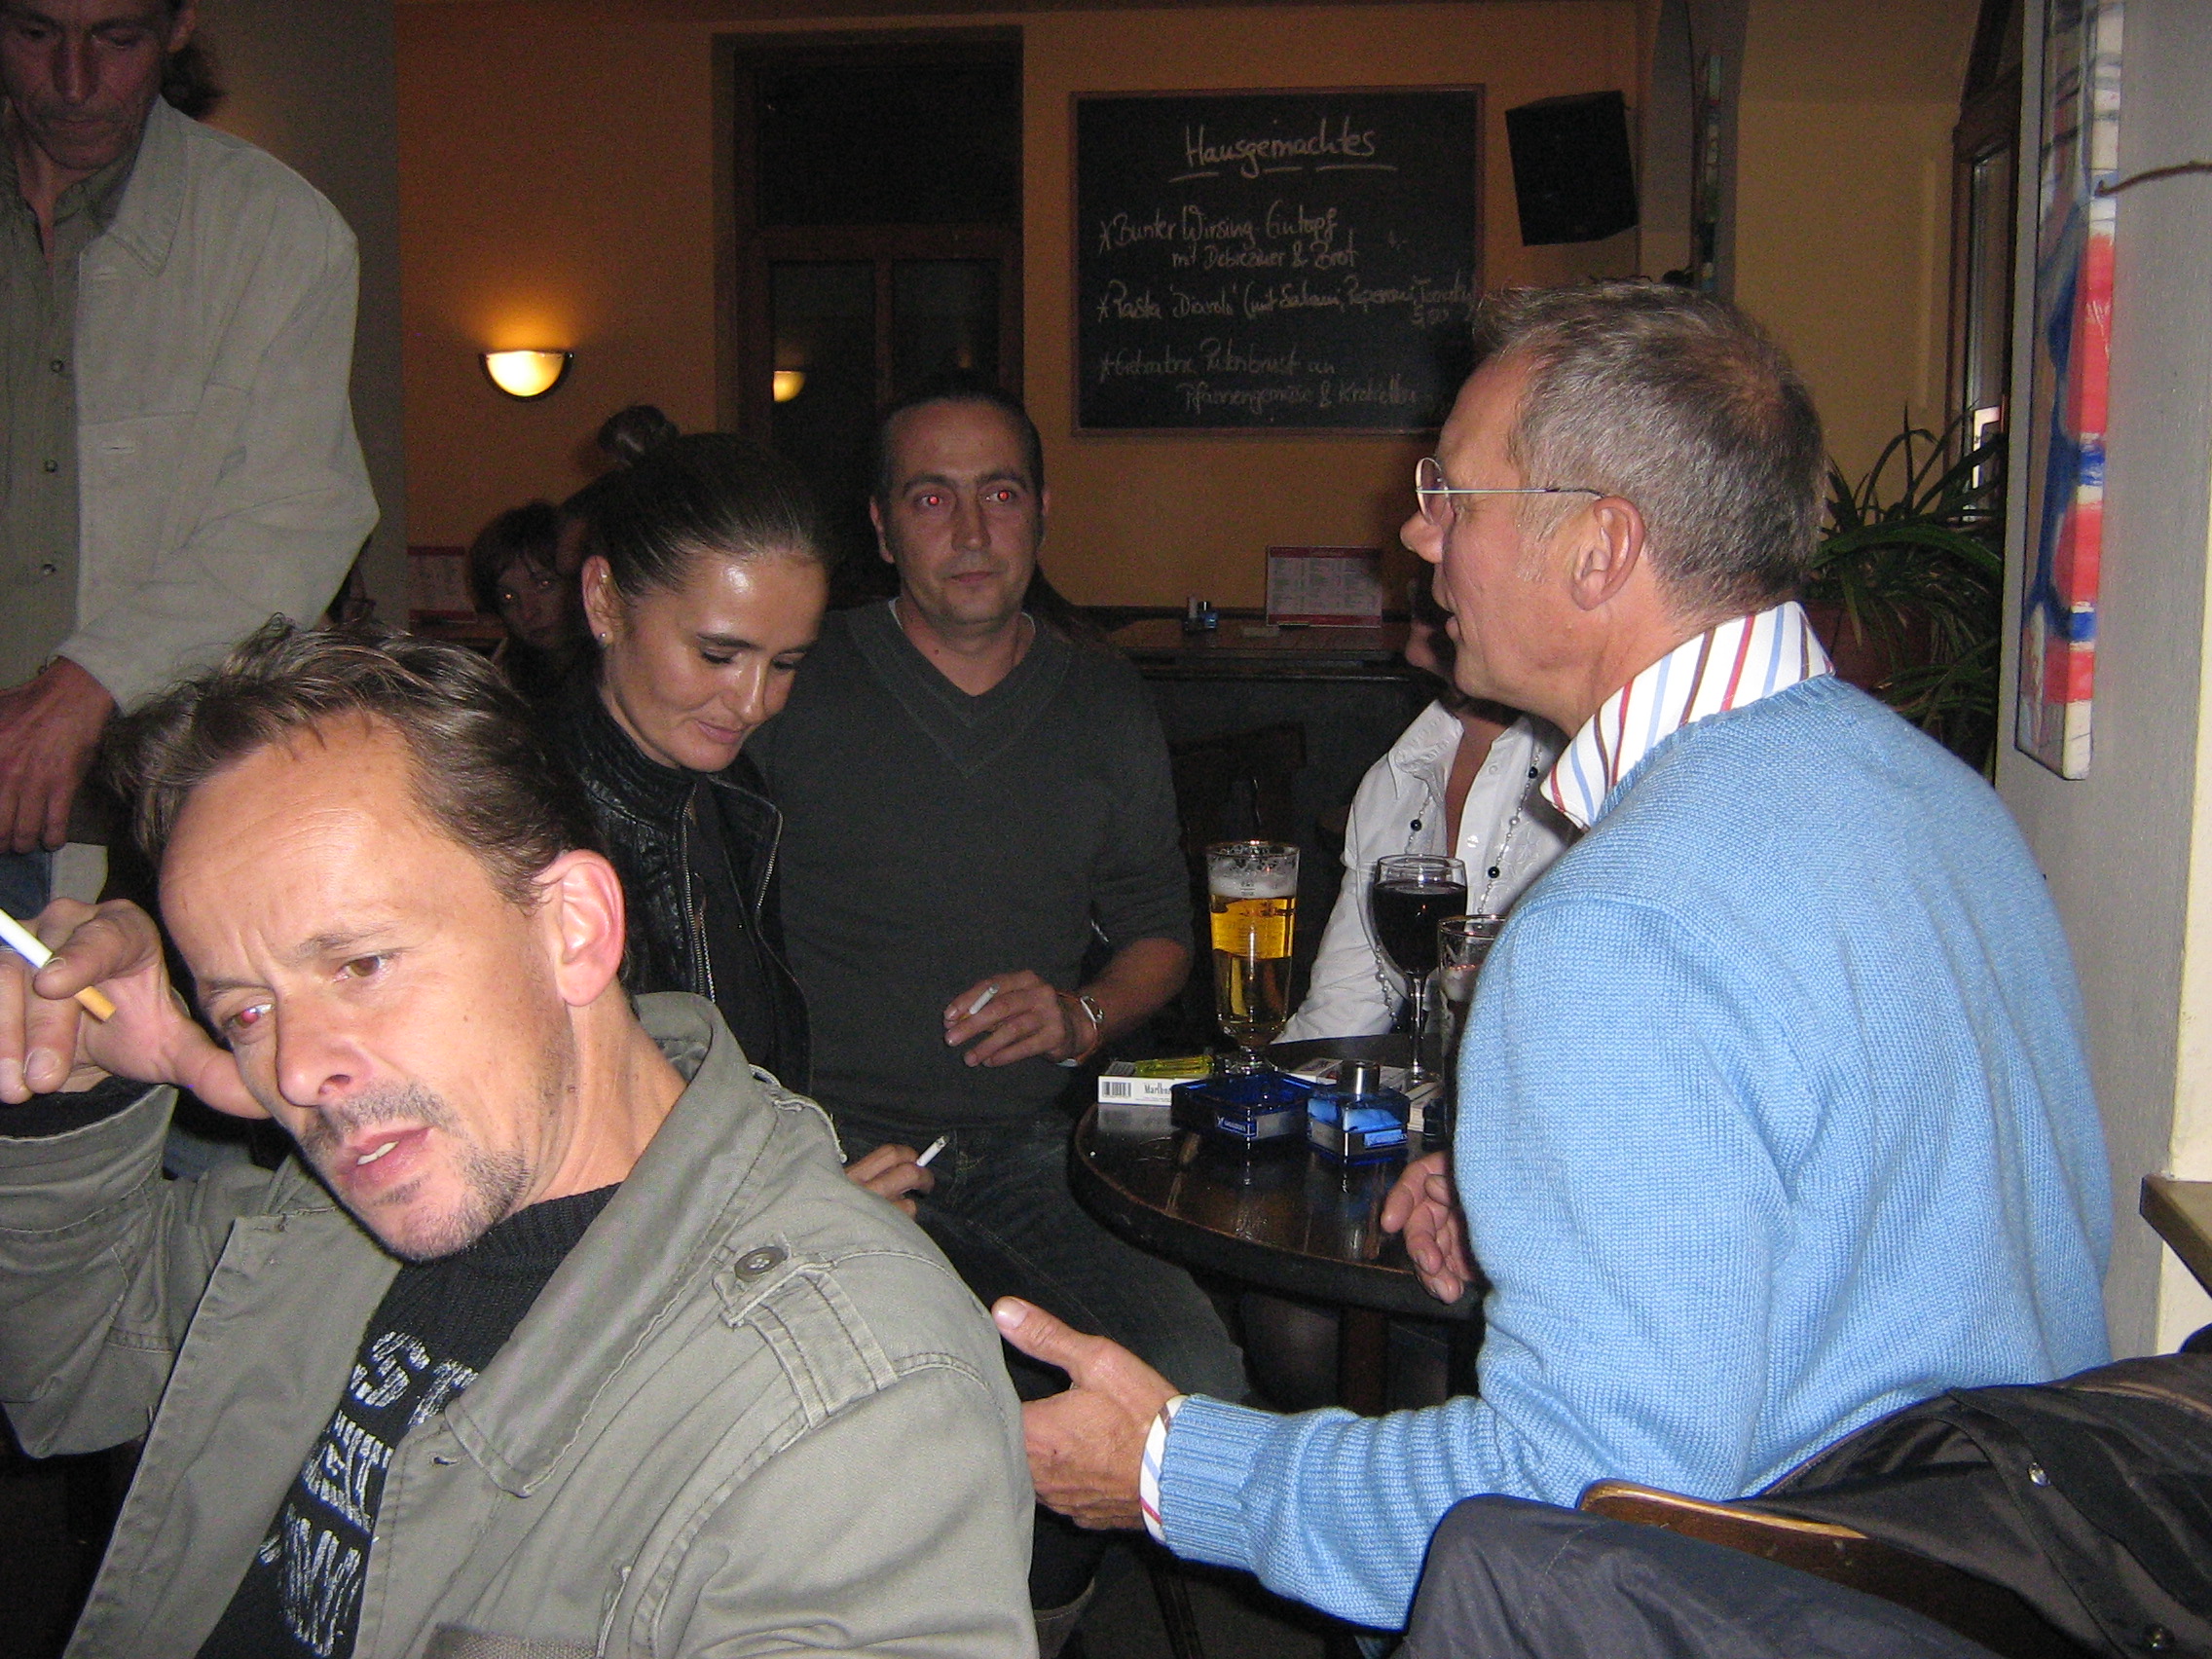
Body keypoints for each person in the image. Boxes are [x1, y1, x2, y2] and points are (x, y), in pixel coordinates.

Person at [993, 281, 2114, 1631]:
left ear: (1597, 549)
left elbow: (1575, 1509)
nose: (1415, 532)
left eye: (1451, 494)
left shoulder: (1620, 925)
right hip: (2016, 1578)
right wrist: (1541, 1205)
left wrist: (1176, 1467)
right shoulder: (1943, 799)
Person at [0, 622, 1033, 1658]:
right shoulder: (334, 1207)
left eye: (360, 964)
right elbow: (72, 1374)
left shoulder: (848, 1399)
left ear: (573, 928)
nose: (299, 1070)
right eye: (248, 1011)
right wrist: (75, 1088)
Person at [747, 371, 1243, 1643]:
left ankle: (1048, 1606)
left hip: (1034, 1152)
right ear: (878, 526)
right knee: (886, 1420)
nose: (970, 530)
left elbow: (1160, 932)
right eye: (931, 498)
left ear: (1042, 511)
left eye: (1000, 495)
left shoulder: (1102, 698)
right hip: (828, 1148)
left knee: (1197, 1387)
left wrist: (1084, 1015)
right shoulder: (793, 683)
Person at [0, 0, 376, 913]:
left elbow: (294, 521)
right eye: (36, 34)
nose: (75, 82)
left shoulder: (277, 230)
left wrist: (92, 681)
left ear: (179, 26)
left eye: (117, 39)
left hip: (130, 813)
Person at [542, 433, 818, 1095]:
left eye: (786, 664)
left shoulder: (732, 790)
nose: (754, 703)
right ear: (605, 601)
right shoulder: (523, 822)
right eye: (718, 655)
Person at [1280, 589, 1575, 1043]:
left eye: (1439, 608)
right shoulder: (1399, 774)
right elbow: (1344, 1009)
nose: (1414, 652)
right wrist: (1266, 1080)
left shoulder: (1585, 773)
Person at [465, 500, 585, 704]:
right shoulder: (502, 678)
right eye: (508, 598)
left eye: (544, 584)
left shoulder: (621, 667)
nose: (528, 612)